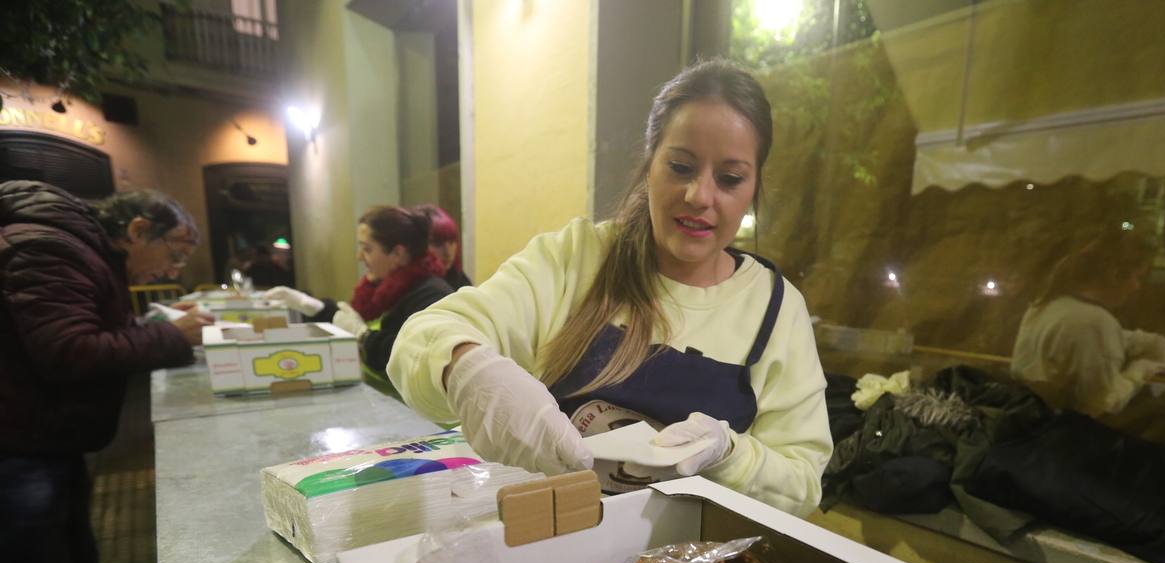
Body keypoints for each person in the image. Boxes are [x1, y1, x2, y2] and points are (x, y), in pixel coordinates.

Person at [388, 60, 832, 516]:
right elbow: (418, 343)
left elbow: (801, 485)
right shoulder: (577, 258)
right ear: (649, 164)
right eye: (680, 166)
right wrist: (467, 370)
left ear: (754, 186)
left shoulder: (774, 309)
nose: (700, 195)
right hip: (551, 545)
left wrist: (730, 454)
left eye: (730, 178)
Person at [0, 181, 212, 563]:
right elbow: (68, 350)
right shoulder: (49, 249)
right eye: (172, 251)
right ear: (138, 229)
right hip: (18, 447)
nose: (172, 266)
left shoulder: (75, 248)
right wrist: (169, 337)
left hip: (46, 440)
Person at [265, 205, 470, 381]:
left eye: (367, 249)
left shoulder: (431, 296)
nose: (359, 257)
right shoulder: (382, 290)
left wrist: (362, 335)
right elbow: (350, 318)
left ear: (397, 254)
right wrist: (313, 306)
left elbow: (409, 359)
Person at [1011, 228, 1165, 417]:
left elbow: (1086, 340)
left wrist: (1151, 342)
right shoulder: (1095, 322)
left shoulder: (1048, 306)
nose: (1136, 286)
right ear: (1114, 274)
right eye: (1136, 276)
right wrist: (1141, 370)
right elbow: (1102, 403)